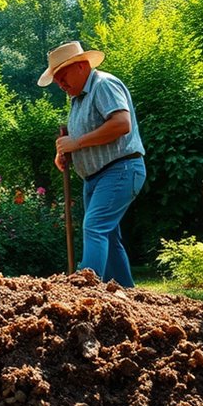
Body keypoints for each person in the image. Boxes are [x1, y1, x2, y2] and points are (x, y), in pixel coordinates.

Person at [39, 41, 146, 288]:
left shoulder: (103, 85)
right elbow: (80, 140)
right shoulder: (77, 100)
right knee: (108, 234)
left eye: (62, 77)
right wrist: (65, 152)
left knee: (94, 226)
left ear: (81, 66)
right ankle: (126, 294)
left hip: (121, 169)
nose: (60, 84)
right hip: (95, 177)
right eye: (56, 81)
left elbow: (121, 124)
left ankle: (83, 291)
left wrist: (76, 143)